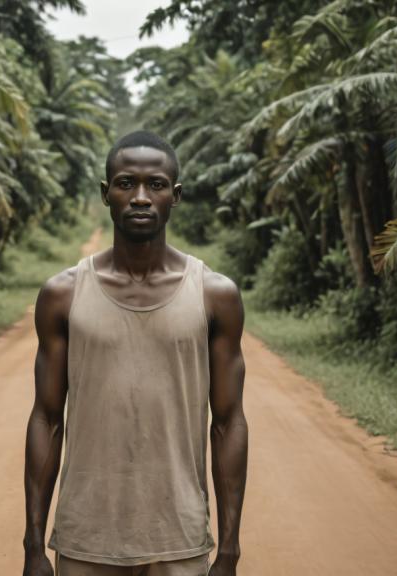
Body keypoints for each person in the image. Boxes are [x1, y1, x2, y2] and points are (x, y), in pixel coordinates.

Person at [23, 131, 248, 576]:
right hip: (85, 540)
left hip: (180, 541)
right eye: (126, 183)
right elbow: (46, 419)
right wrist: (33, 545)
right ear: (106, 194)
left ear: (175, 195)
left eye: (156, 185)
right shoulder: (63, 294)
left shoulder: (214, 295)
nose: (141, 197)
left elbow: (228, 422)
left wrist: (229, 549)